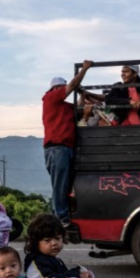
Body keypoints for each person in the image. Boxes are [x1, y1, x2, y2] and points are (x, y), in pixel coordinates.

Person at [42, 60, 93, 229]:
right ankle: (61, 218)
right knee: (60, 184)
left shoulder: (63, 106)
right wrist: (84, 69)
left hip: (64, 148)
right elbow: (71, 86)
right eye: (61, 88)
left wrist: (83, 94)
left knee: (64, 184)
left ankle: (58, 217)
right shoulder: (50, 98)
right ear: (54, 89)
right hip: (57, 147)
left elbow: (78, 107)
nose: (62, 90)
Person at [23, 214, 100, 278]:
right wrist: (76, 274)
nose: (54, 243)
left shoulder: (53, 259)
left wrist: (78, 272)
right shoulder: (38, 261)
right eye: (47, 240)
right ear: (36, 242)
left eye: (57, 238)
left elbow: (64, 274)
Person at [105, 58, 140, 125]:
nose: (122, 74)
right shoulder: (118, 87)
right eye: (122, 72)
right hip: (123, 124)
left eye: (126, 71)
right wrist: (128, 101)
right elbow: (108, 100)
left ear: (135, 74)